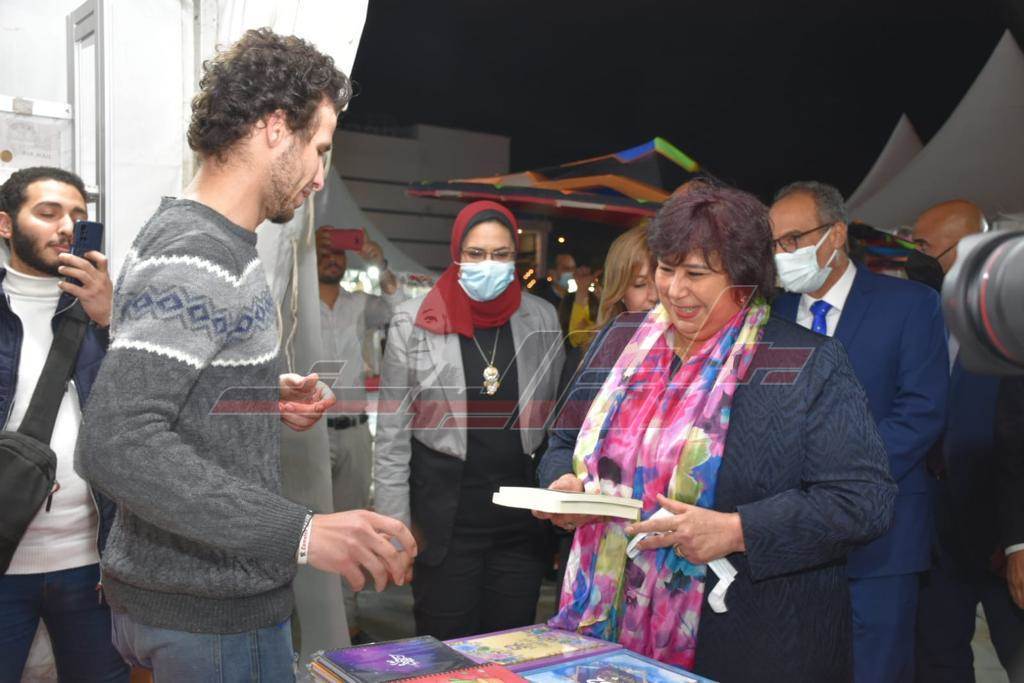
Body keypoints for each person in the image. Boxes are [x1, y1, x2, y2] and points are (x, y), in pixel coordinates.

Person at [75, 29, 416, 680]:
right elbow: (116, 440)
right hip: (207, 617)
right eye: (320, 150)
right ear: (275, 128)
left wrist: (254, 391)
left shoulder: (209, 241)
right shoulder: (198, 252)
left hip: (196, 603)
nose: (321, 177)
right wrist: (304, 532)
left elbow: (166, 387)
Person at [537, 183, 896, 681]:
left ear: (744, 278)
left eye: (696, 274)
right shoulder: (621, 341)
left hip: (751, 637)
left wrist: (736, 531)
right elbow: (561, 442)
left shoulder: (803, 361)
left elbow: (863, 500)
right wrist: (565, 487)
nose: (674, 289)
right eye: (666, 269)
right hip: (604, 621)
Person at [769, 181, 948, 683]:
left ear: (837, 234)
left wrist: (841, 480)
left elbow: (921, 411)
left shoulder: (909, 305)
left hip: (881, 536)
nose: (784, 253)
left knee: (876, 669)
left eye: (794, 239)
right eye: (775, 243)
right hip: (786, 537)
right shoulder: (770, 315)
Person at [374, 200, 565, 639]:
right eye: (476, 253)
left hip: (521, 526)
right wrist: (394, 531)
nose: (488, 265)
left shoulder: (541, 317)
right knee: (446, 650)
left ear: (515, 258)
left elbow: (552, 416)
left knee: (510, 646)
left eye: (501, 254)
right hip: (444, 524)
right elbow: (391, 438)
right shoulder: (413, 320)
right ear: (457, 254)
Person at [0, 167, 128, 681]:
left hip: (91, 564)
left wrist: (110, 320)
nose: (67, 227)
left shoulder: (108, 312)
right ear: (5, 225)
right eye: (48, 213)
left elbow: (150, 409)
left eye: (78, 215)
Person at [911, 200, 1024, 681]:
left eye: (923, 246)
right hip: (936, 530)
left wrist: (1018, 541)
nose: (913, 257)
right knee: (939, 658)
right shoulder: (922, 315)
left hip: (1003, 532)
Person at [316, 228, 406, 643]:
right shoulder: (295, 305)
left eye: (338, 252)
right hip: (307, 435)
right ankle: (307, 624)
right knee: (309, 526)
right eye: (323, 251)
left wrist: (379, 263)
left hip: (353, 431)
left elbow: (399, 308)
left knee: (352, 527)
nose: (332, 258)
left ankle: (347, 624)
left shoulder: (358, 304)